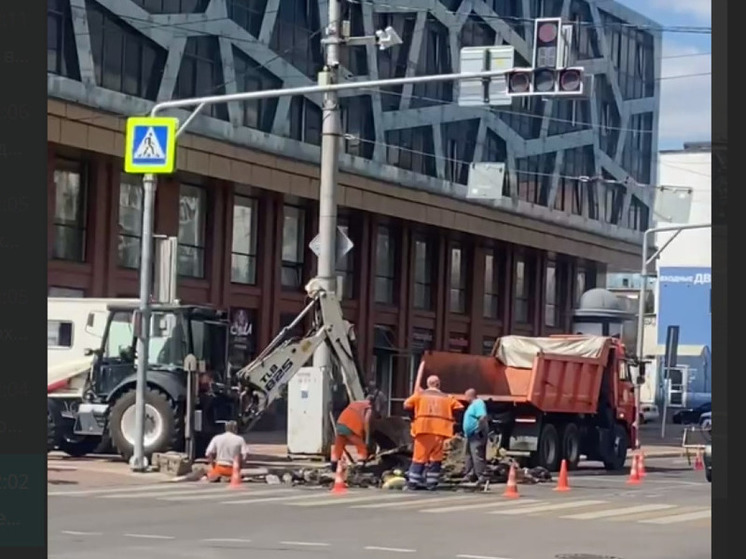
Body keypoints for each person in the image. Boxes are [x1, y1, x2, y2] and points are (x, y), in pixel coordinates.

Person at [403, 362, 463, 490]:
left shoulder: (420, 395)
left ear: (428, 384)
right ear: (438, 384)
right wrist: (454, 421)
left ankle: (413, 482)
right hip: (441, 431)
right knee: (436, 458)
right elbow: (459, 408)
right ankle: (431, 483)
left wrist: (413, 418)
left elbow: (406, 405)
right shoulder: (447, 397)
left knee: (419, 457)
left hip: (423, 429)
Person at [330, 394, 377, 472]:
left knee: (338, 447)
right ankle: (360, 466)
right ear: (372, 403)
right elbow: (366, 421)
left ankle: (333, 465)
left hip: (340, 423)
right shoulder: (368, 408)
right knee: (361, 447)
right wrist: (367, 438)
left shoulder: (355, 403)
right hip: (351, 426)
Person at [462, 388, 489, 484]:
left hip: (476, 435)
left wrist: (478, 429)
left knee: (477, 455)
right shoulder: (473, 405)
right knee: (469, 455)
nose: (465, 398)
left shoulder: (478, 403)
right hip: (471, 435)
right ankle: (470, 474)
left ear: (470, 396)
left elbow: (482, 417)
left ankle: (482, 476)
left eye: (466, 396)